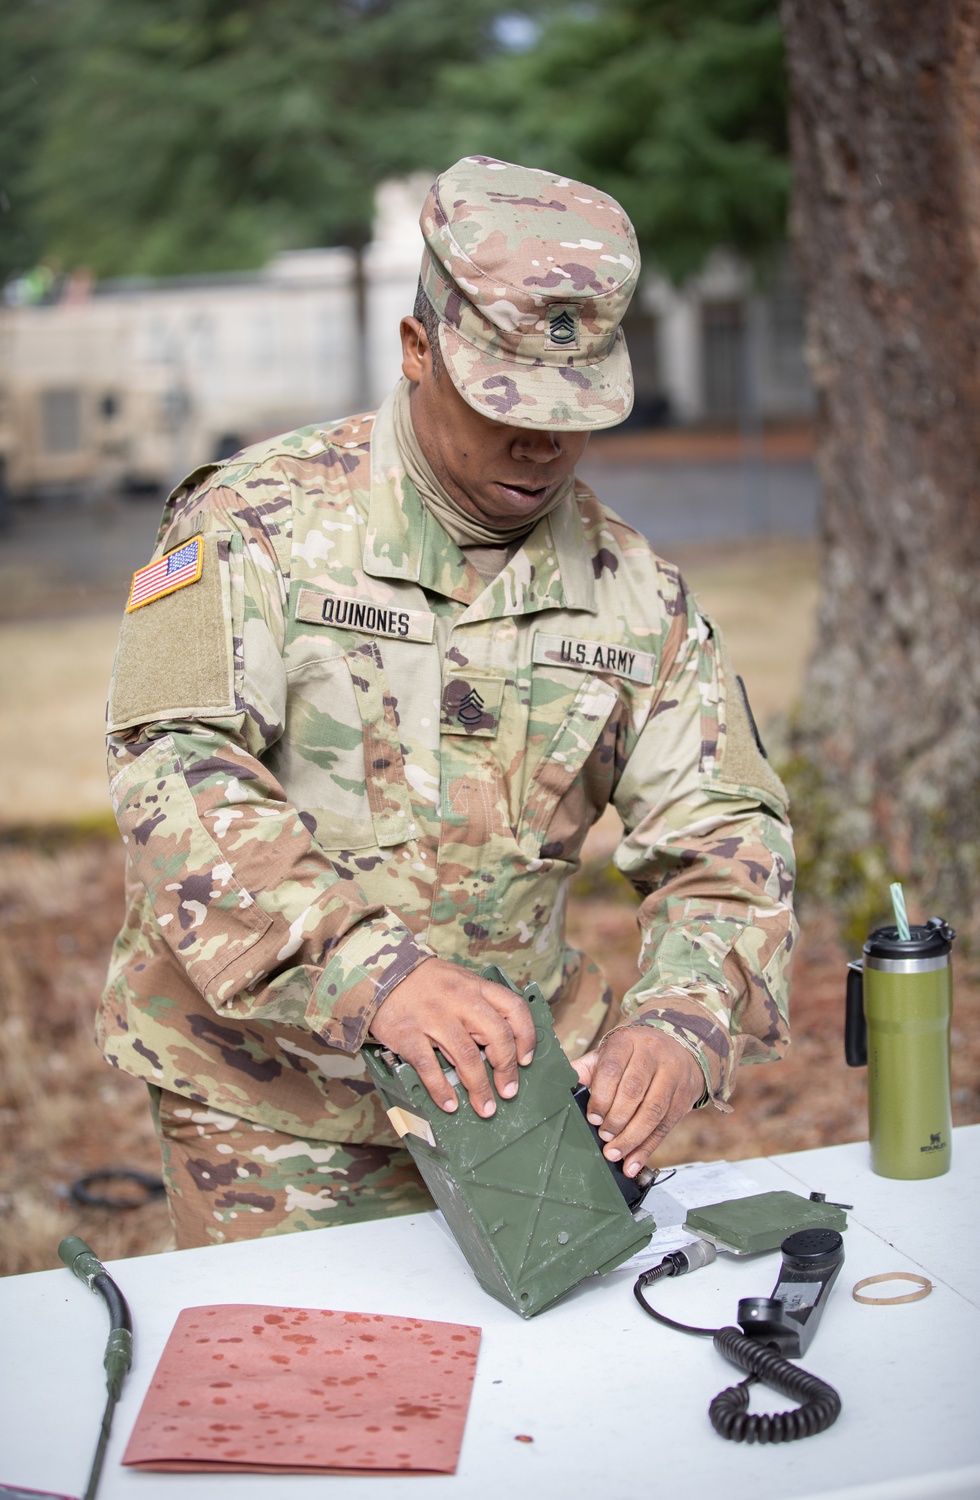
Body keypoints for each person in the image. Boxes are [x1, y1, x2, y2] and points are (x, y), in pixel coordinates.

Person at [100, 156, 796, 1250]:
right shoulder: (254, 524)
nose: (543, 443)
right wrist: (369, 973)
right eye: (506, 400)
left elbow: (728, 837)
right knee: (301, 1405)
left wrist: (680, 1021)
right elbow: (172, 769)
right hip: (281, 1111)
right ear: (417, 350)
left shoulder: (634, 592)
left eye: (576, 410)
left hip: (516, 1111)